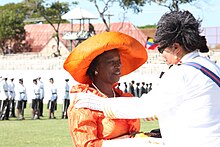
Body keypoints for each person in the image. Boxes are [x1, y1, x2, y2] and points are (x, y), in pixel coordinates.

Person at [75, 11, 220, 146]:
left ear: (176, 47)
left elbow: (144, 107)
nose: (161, 55)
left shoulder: (181, 73)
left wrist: (102, 105)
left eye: (161, 48)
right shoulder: (210, 66)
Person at [63, 31, 148, 146]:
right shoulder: (85, 102)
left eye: (119, 62)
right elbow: (86, 144)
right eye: (111, 62)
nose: (118, 66)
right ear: (96, 68)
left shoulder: (121, 97)